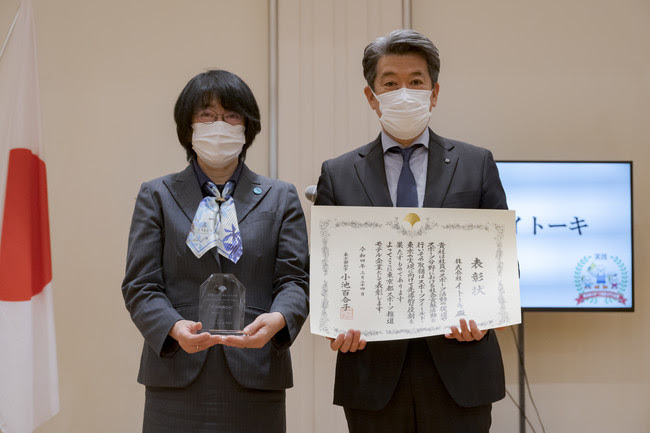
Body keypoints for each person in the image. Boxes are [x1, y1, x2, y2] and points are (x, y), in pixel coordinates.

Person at [315, 29, 507, 433]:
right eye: (390, 83)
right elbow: (326, 272)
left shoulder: (477, 164)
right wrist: (333, 326)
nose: (404, 91)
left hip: (462, 367)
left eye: (416, 82)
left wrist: (489, 315)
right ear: (372, 96)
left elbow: (502, 262)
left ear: (434, 93)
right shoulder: (338, 173)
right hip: (372, 373)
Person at [121, 69, 309, 433]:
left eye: (231, 115)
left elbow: (296, 280)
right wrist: (173, 326)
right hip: (175, 378)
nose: (218, 125)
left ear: (247, 127)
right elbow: (140, 285)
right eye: (206, 115)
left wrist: (280, 318)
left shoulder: (280, 196)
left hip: (256, 375)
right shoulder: (156, 196)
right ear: (187, 127)